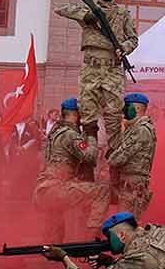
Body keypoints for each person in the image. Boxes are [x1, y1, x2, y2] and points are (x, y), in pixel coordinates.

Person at [54, 0, 138, 152]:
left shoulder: (123, 14)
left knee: (114, 116)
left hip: (112, 68)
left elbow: (133, 39)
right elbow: (60, 9)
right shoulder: (88, 10)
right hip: (91, 68)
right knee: (88, 114)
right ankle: (88, 159)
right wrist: (87, 15)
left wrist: (123, 48)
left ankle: (114, 159)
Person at [32, 98, 113, 235]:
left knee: (55, 228)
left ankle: (52, 249)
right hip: (57, 189)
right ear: (75, 115)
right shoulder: (70, 135)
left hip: (44, 191)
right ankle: (91, 239)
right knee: (102, 191)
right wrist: (91, 135)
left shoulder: (54, 134)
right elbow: (90, 156)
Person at [106, 91, 155, 218]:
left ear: (137, 108)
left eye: (127, 107)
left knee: (126, 226)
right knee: (125, 224)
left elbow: (119, 157)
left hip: (133, 184)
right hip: (129, 182)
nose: (124, 112)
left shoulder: (141, 129)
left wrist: (110, 158)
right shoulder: (135, 128)